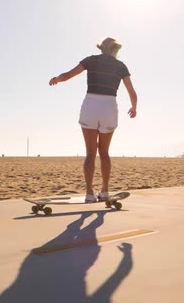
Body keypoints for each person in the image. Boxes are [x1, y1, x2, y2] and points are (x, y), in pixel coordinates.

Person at [49, 37, 138, 202]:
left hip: (91, 105)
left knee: (90, 153)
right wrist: (134, 108)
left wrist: (57, 79)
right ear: (114, 50)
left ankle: (89, 193)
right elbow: (132, 91)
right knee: (104, 152)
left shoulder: (91, 60)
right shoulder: (120, 66)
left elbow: (68, 75)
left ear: (101, 48)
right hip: (109, 107)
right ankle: (104, 191)